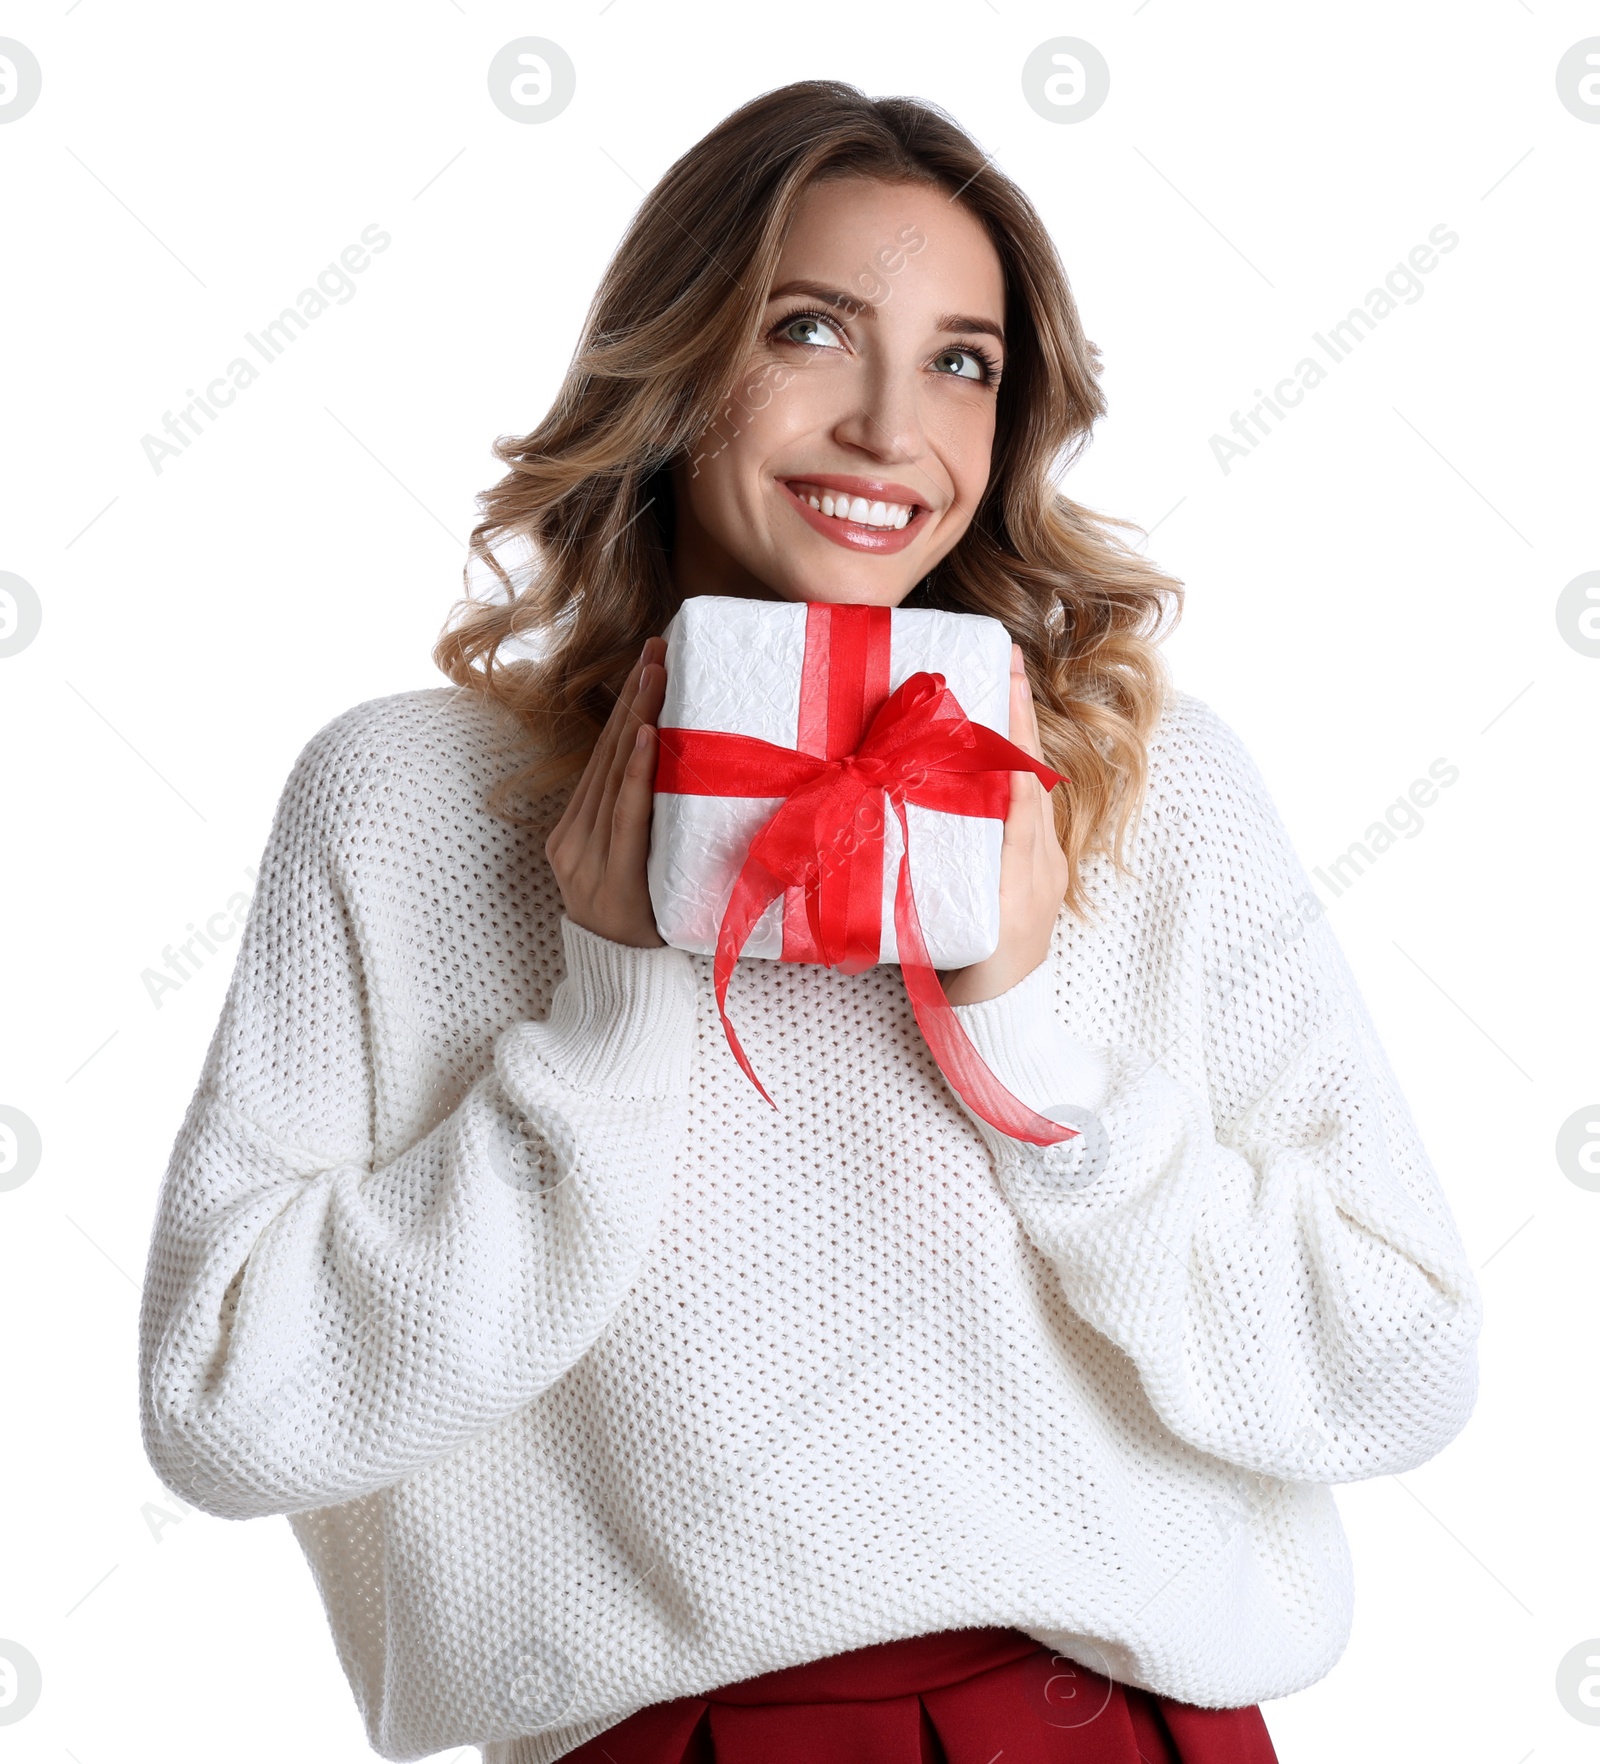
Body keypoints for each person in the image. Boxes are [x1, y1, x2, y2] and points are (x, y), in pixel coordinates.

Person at [136, 80, 1482, 1764]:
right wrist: (610, 1014)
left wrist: (1022, 1036)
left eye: (961, 360)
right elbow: (225, 1409)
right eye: (810, 329)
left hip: (1112, 1730)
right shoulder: (407, 801)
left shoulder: (1140, 782)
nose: (887, 428)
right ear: (676, 356)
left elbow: (1399, 1363)